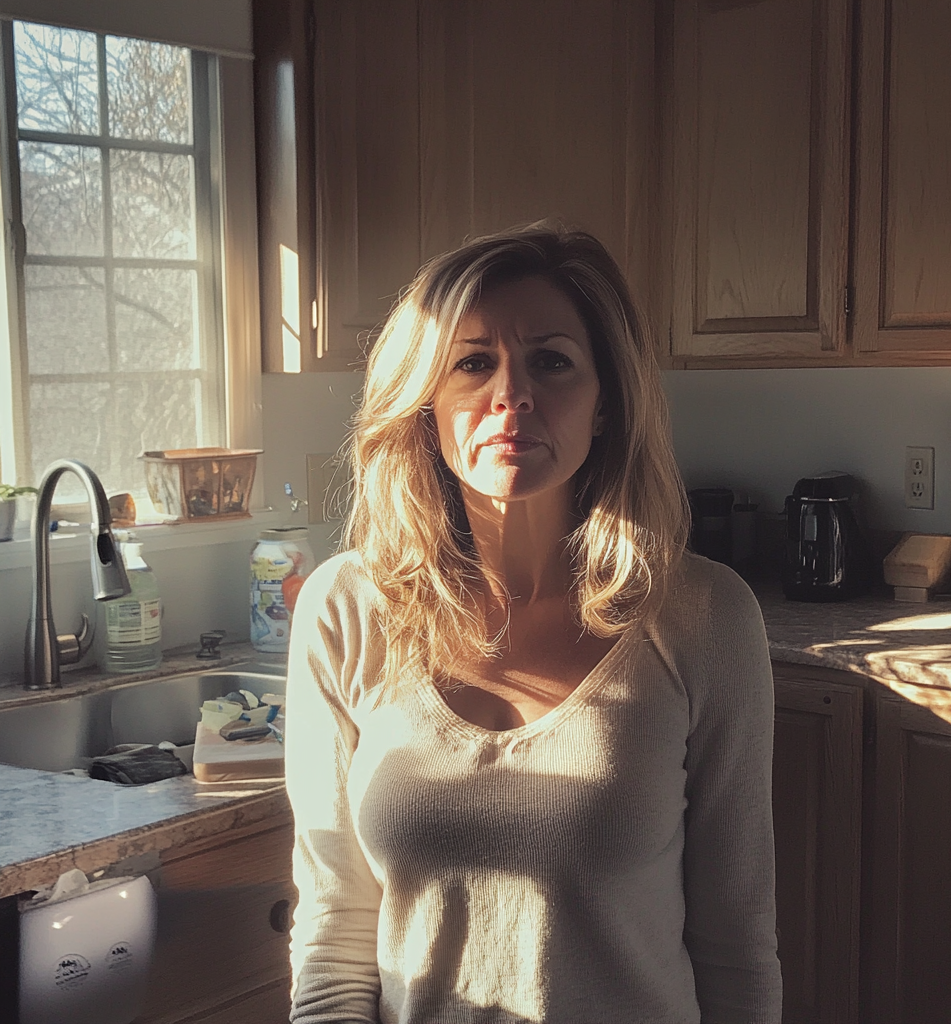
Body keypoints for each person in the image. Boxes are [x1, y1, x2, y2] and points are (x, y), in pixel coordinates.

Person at [285, 223, 782, 1024]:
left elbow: (737, 941)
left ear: (607, 404)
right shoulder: (346, 609)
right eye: (472, 362)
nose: (511, 396)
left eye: (551, 360)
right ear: (424, 403)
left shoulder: (703, 617)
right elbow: (334, 927)